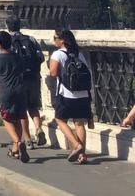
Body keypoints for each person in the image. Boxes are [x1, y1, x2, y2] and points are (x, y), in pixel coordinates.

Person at [48, 28, 93, 164]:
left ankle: (75, 145)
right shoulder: (79, 54)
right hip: (83, 94)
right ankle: (82, 155)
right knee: (79, 123)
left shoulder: (58, 54)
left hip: (66, 94)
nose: (54, 40)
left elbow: (53, 73)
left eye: (55, 38)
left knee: (60, 119)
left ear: (62, 40)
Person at [5, 15, 47, 147]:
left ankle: (27, 138)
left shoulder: (7, 41)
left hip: (18, 80)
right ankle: (38, 128)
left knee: (22, 110)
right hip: (33, 77)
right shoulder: (30, 39)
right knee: (33, 106)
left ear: (7, 26)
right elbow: (41, 57)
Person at [0, 30, 30, 163]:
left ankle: (18, 142)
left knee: (6, 119)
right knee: (18, 119)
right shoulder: (18, 57)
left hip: (6, 92)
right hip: (20, 91)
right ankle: (15, 150)